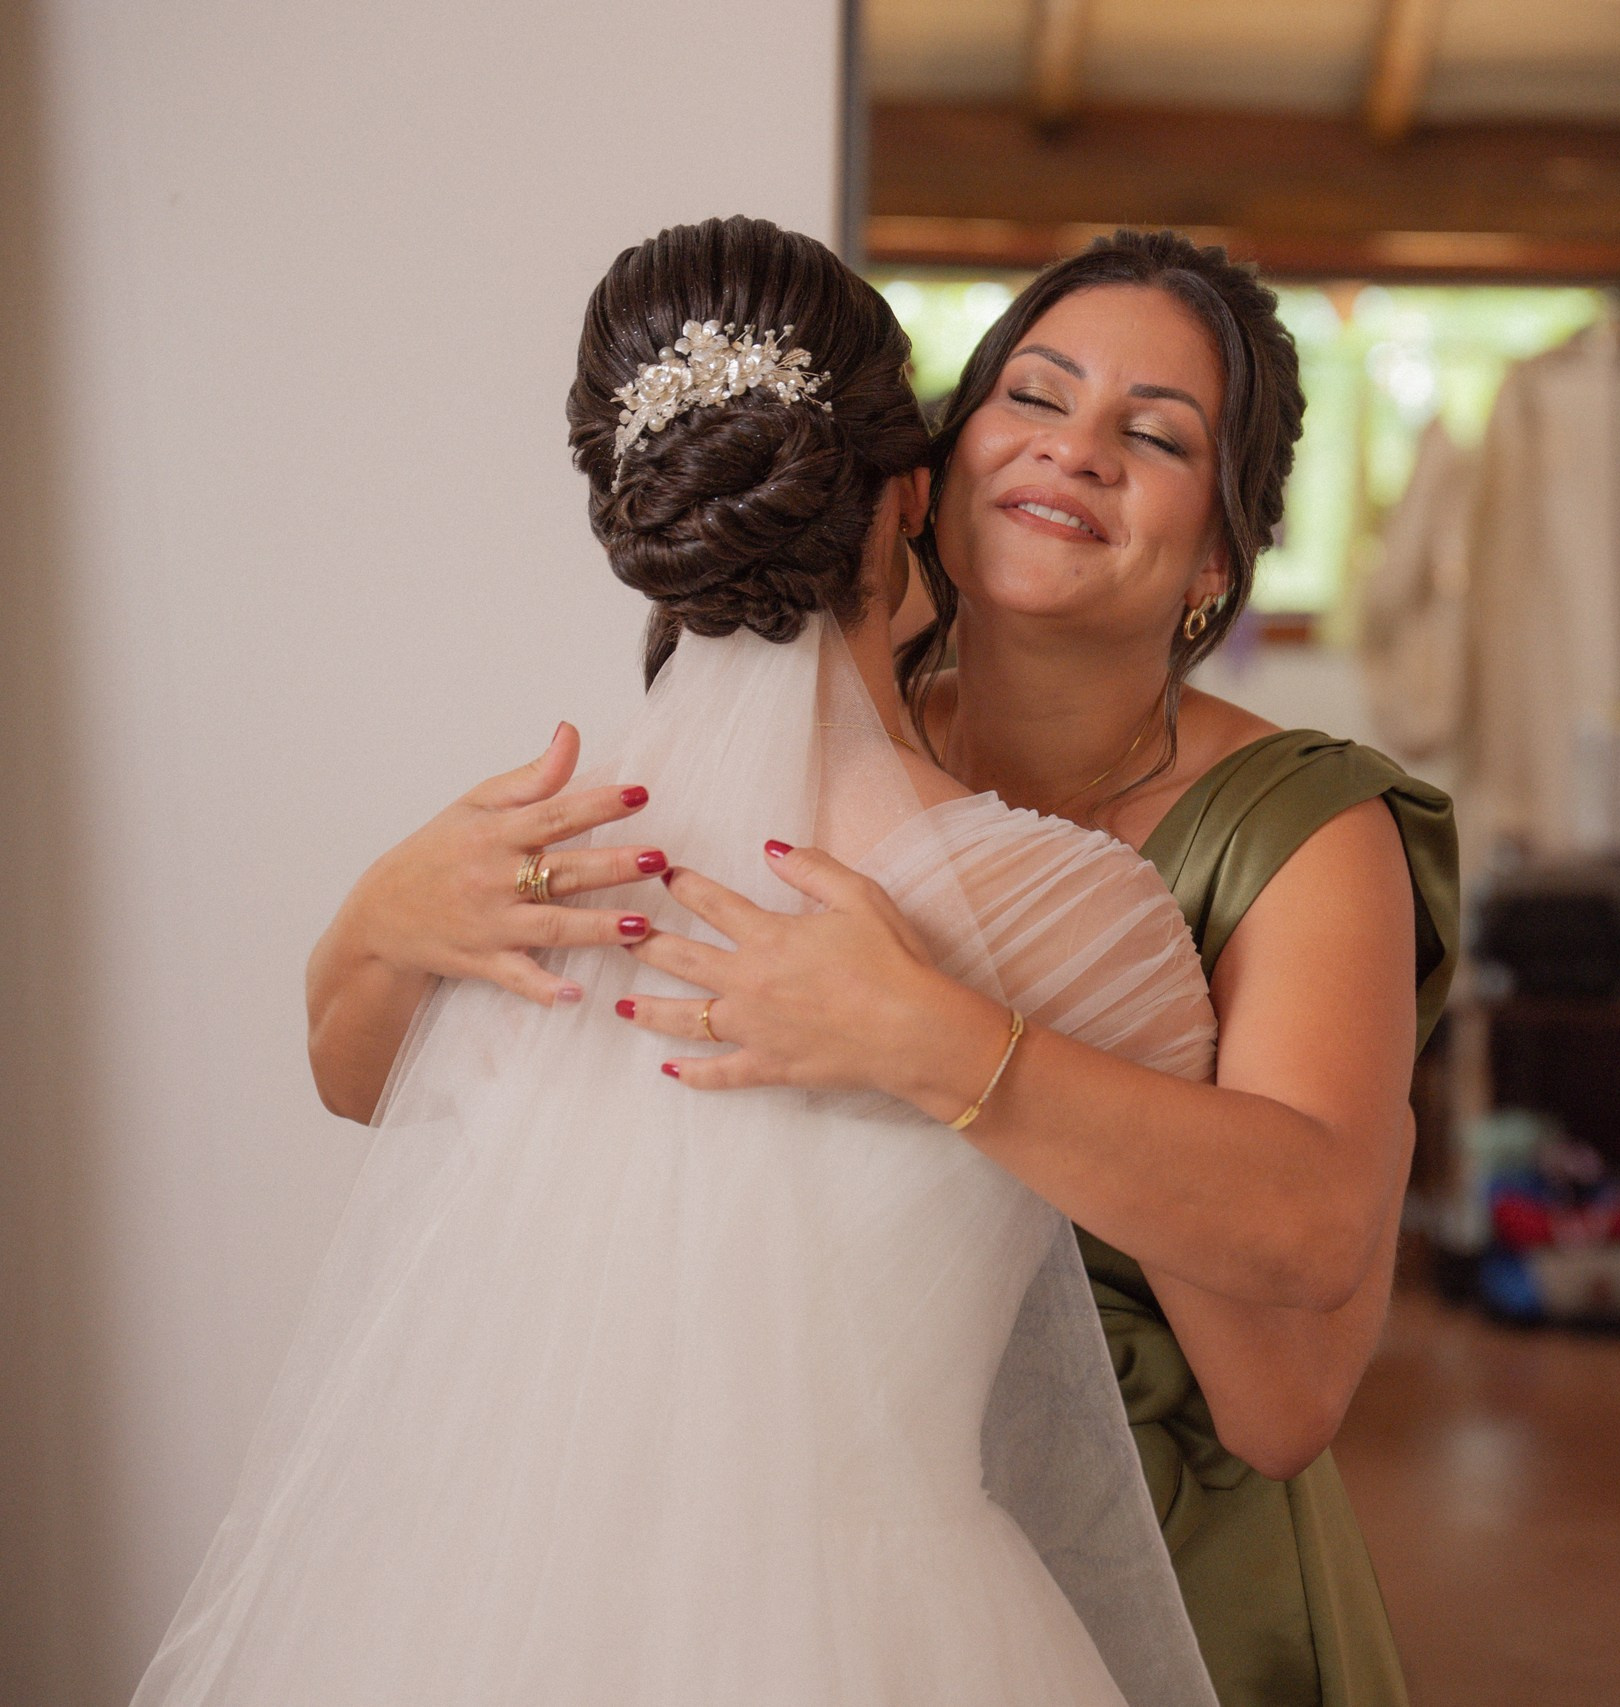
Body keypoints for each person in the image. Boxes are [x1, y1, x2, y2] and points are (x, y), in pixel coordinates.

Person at [307, 230, 1458, 1707]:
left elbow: (1288, 1394)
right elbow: (380, 1085)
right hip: (722, 1559)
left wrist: (946, 1045)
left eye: (1155, 434)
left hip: (1155, 1558)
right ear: (930, 463)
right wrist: (378, 917)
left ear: (1223, 551)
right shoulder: (759, 745)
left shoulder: (1297, 839)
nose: (1078, 451)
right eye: (1035, 398)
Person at [141, 217, 1219, 1707]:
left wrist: (378, 921)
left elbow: (356, 1082)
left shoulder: (528, 854)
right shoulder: (1072, 912)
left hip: (476, 1596)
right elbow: (1270, 1325)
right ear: (910, 498)